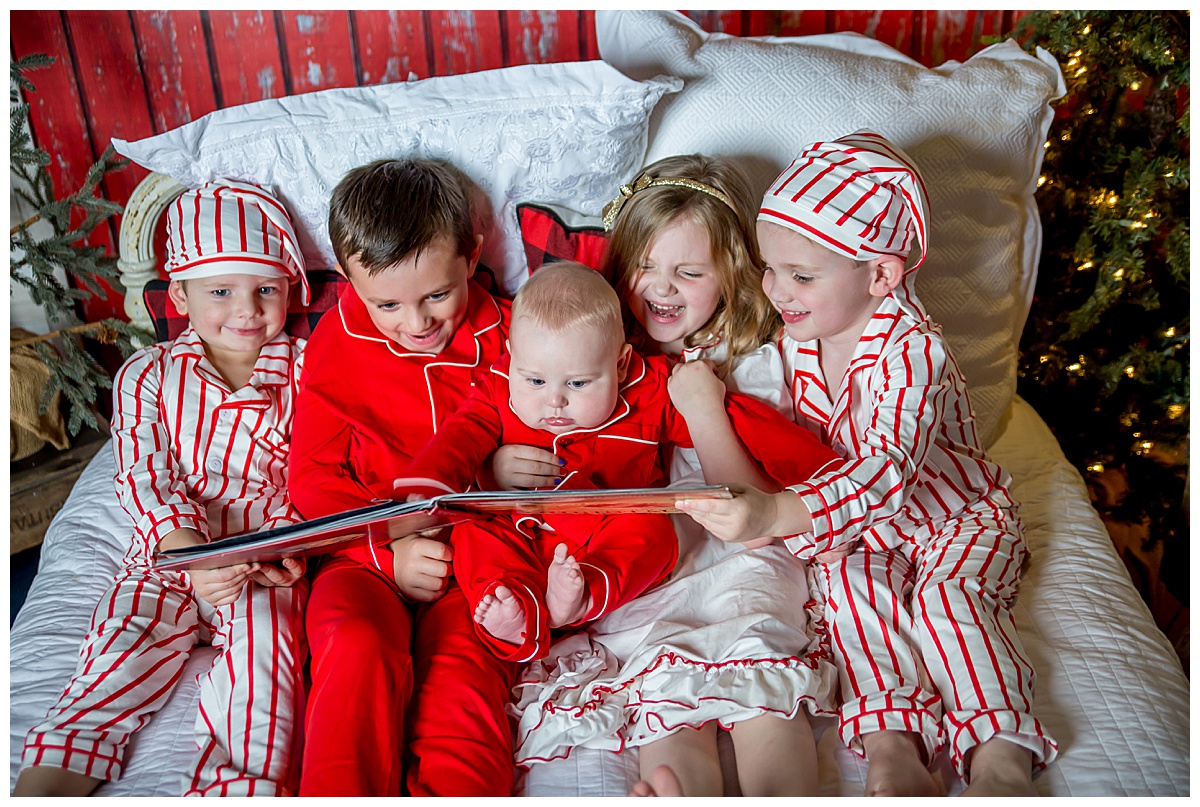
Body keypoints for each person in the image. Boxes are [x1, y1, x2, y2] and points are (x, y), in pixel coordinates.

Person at [675, 131, 1059, 796]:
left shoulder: (914, 352)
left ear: (881, 275)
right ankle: (891, 743)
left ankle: (999, 749)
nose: (776, 290)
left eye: (800, 276)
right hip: (859, 531)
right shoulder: (801, 336)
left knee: (947, 601)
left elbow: (884, 471)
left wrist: (776, 510)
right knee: (851, 601)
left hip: (954, 517)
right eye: (771, 269)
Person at [502, 156, 842, 797]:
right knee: (665, 691)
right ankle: (680, 788)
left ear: (732, 275)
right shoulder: (588, 350)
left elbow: (757, 514)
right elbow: (540, 431)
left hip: (734, 563)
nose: (662, 289)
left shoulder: (751, 362)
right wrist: (501, 461)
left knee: (761, 692)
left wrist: (702, 407)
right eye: (646, 267)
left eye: (689, 272)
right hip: (643, 572)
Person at [14, 181, 310, 797]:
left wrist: (278, 549)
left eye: (267, 289)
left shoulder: (307, 369)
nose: (246, 309)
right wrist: (190, 556)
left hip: (260, 560)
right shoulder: (147, 375)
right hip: (170, 555)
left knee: (267, 666)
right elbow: (144, 475)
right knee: (118, 653)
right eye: (220, 292)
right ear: (179, 293)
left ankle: (239, 785)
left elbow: (315, 475)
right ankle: (49, 783)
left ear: (288, 288)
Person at [286, 158, 517, 797]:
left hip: (473, 557)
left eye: (437, 296)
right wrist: (386, 548)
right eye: (386, 303)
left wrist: (497, 464)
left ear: (472, 256)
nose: (416, 324)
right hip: (360, 554)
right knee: (354, 646)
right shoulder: (338, 343)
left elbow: (554, 425)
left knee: (463, 677)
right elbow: (310, 479)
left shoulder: (509, 329)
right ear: (349, 281)